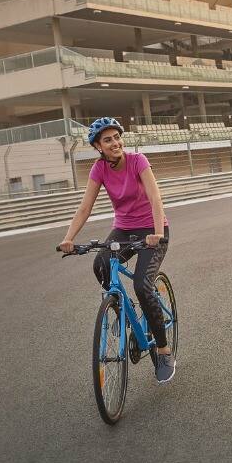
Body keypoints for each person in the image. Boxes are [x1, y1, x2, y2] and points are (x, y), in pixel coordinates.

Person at [58, 117, 175, 384]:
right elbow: (85, 207)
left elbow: (156, 198)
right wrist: (69, 238)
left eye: (117, 137)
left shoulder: (138, 161)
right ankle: (125, 309)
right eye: (107, 140)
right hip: (124, 230)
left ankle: (164, 349)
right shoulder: (99, 169)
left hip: (152, 230)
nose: (115, 143)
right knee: (100, 264)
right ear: (98, 146)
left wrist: (157, 233)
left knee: (143, 286)